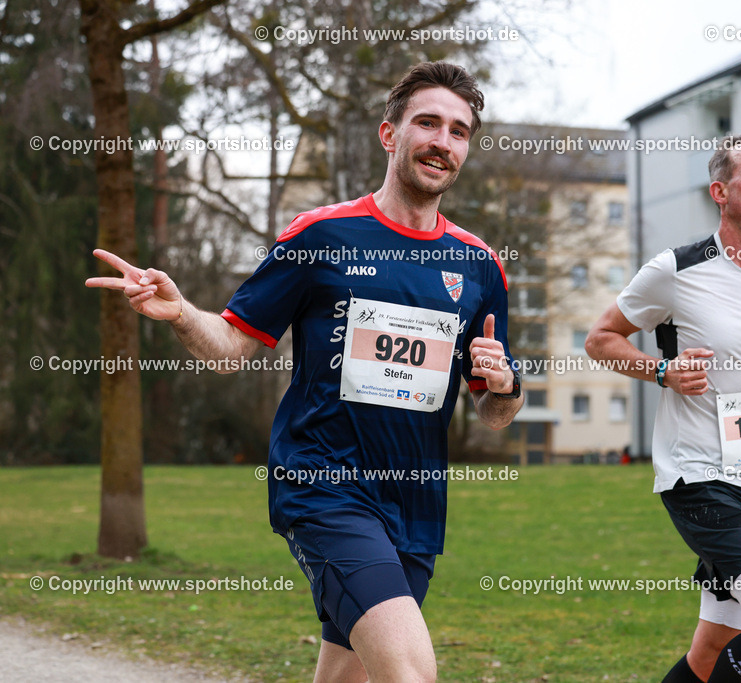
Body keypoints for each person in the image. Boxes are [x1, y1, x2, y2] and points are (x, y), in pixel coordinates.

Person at [86, 61, 523, 682]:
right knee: (409, 673)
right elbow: (232, 346)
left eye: (458, 131)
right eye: (427, 123)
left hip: (416, 505)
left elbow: (495, 412)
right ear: (389, 134)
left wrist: (504, 385)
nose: (442, 142)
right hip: (325, 487)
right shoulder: (322, 235)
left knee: (347, 677)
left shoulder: (479, 265)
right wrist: (181, 312)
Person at [585, 133, 741, 682]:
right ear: (720, 192)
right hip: (698, 476)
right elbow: (600, 339)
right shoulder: (676, 270)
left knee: (710, 652)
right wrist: (662, 371)